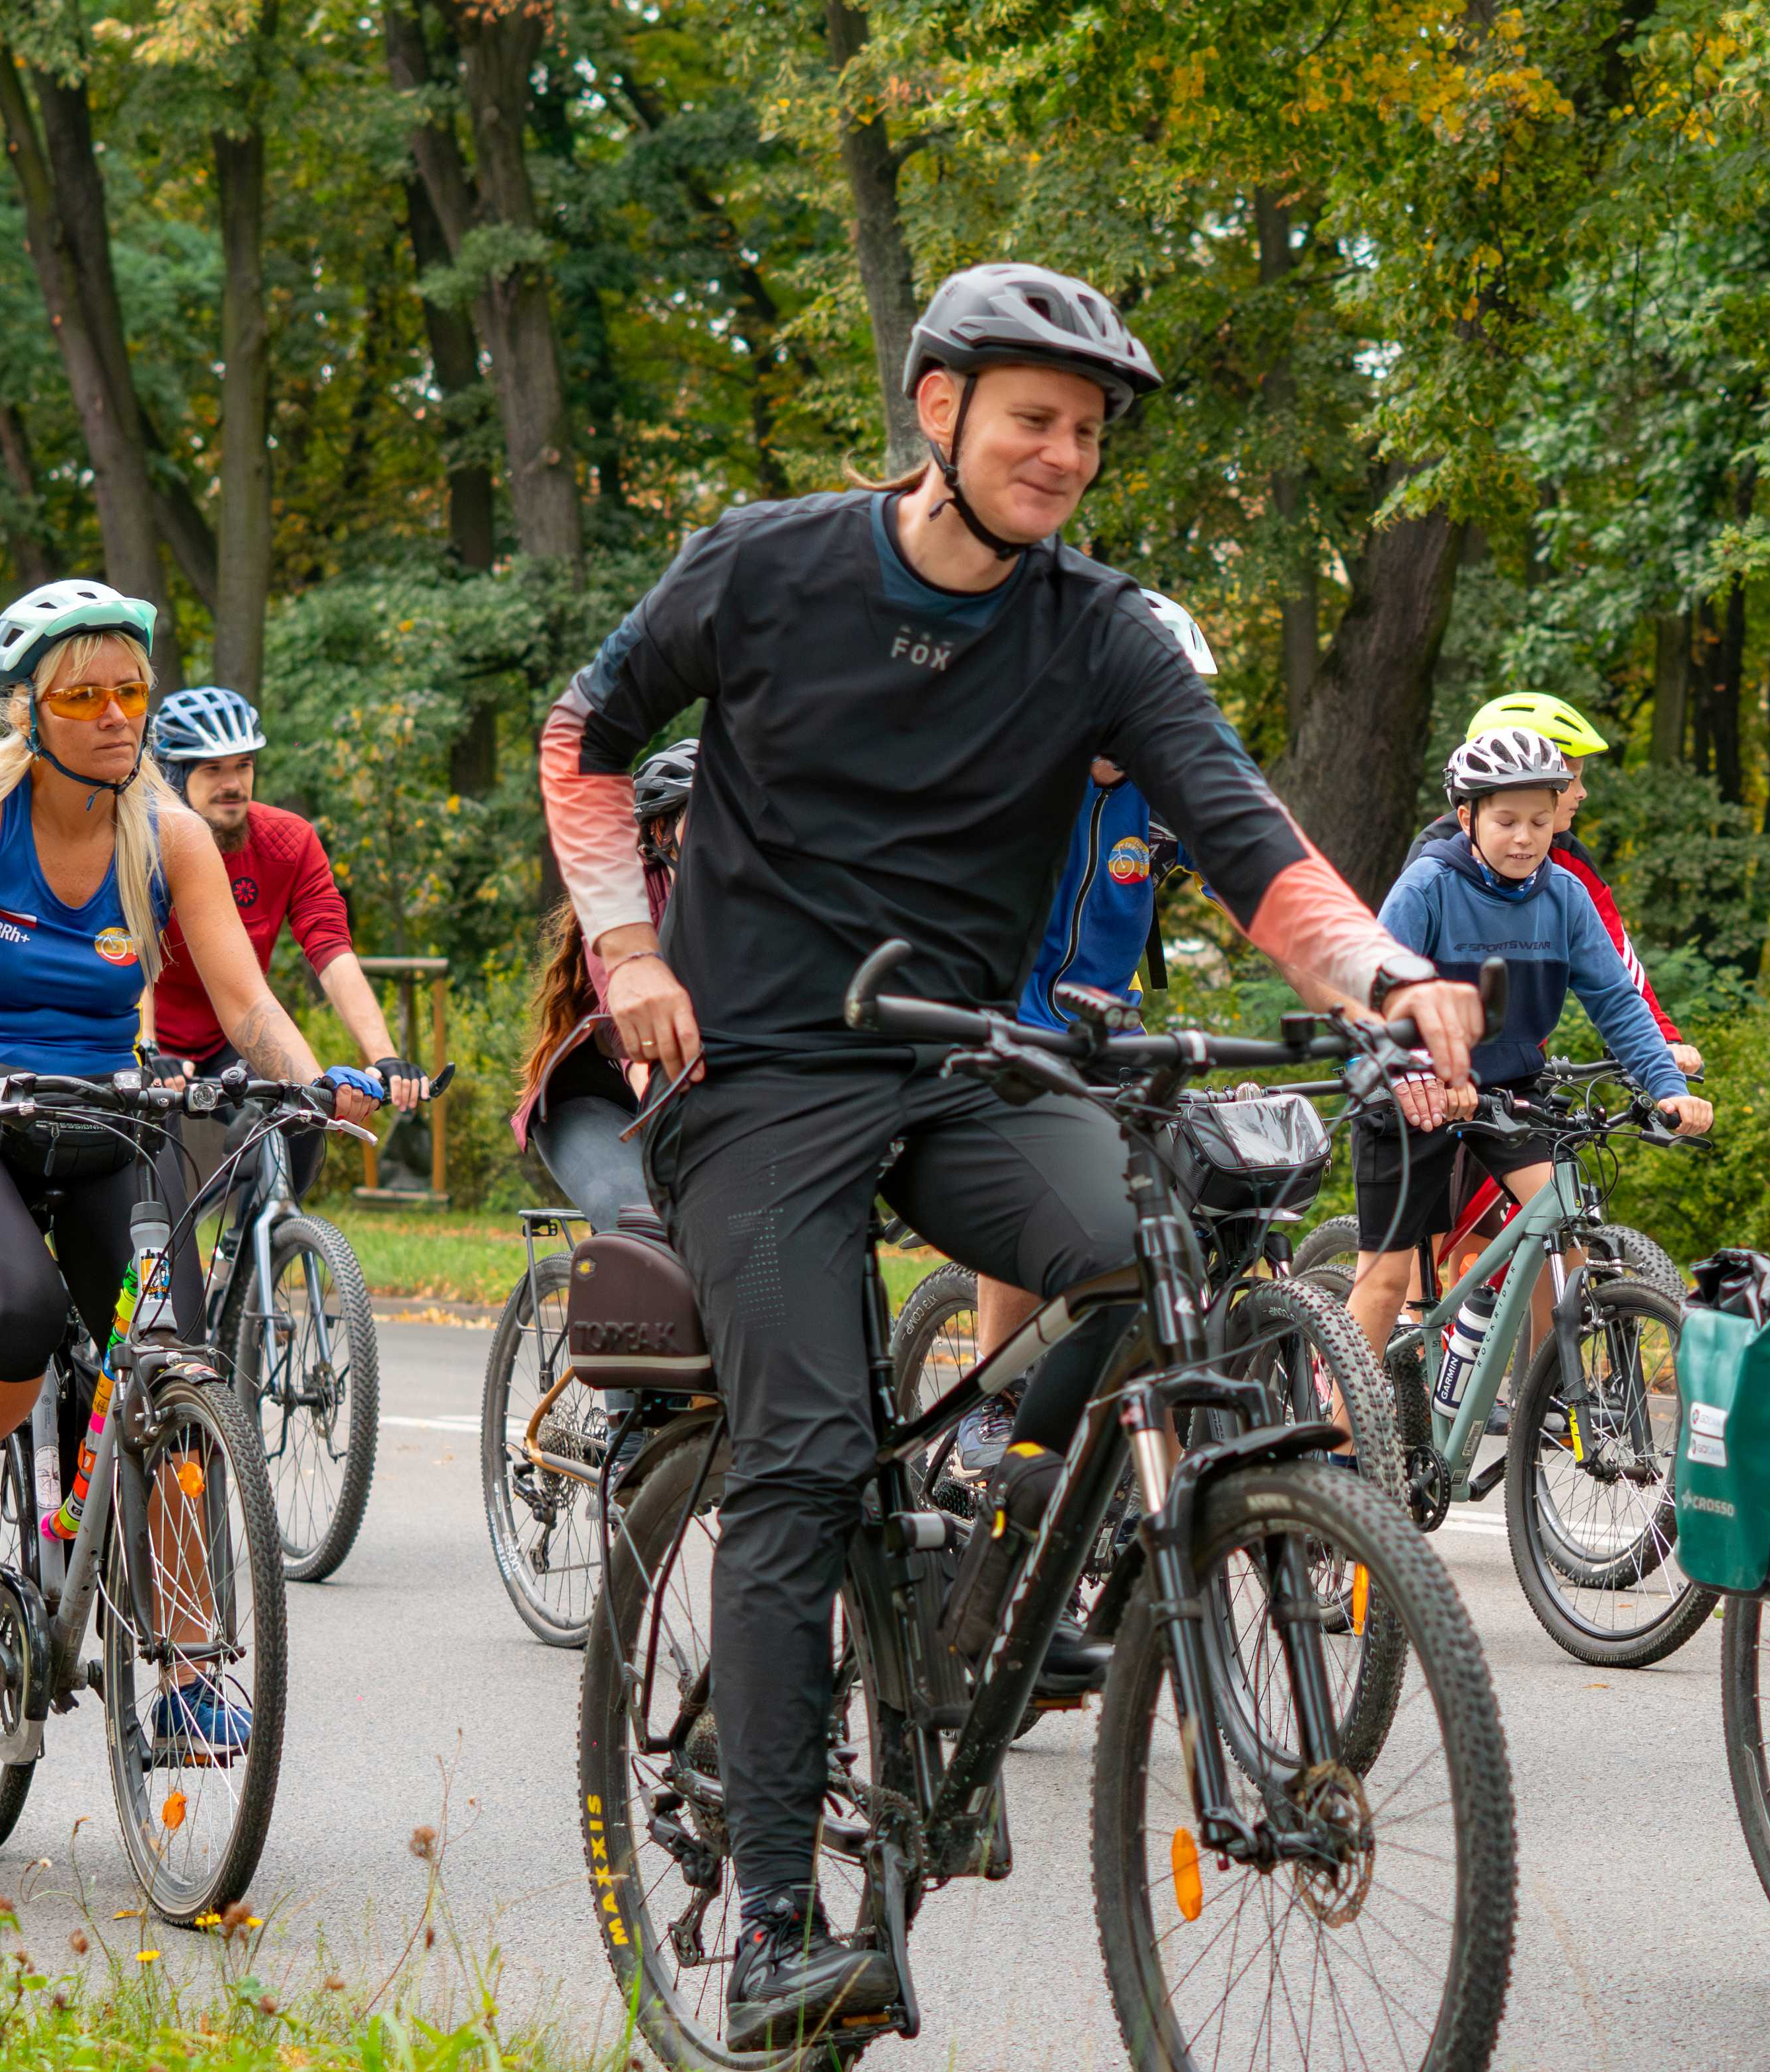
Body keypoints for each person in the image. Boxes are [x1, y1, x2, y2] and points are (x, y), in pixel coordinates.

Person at [537, 261, 1482, 2048]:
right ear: (936, 408)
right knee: (807, 1449)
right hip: (760, 1072)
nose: (1063, 453)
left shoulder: (1097, 629)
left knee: (1156, 1244)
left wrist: (1385, 970)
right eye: (1033, 417)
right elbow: (585, 739)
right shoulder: (768, 561)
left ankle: (988, 1563)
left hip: (969, 1060)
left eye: (1088, 431)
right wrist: (629, 947)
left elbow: (1236, 825)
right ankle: (760, 1920)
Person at [0, 580, 384, 1724]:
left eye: (133, 689)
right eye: (88, 695)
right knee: (11, 1315)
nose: (119, 714)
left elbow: (246, 1000)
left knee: (174, 1362)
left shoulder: (167, 833)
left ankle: (179, 1665)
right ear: (31, 712)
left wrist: (318, 1081)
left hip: (113, 1109)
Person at [1340, 726, 1712, 1363]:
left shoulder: (1564, 895)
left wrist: (1667, 1088)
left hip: (1507, 1091)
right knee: (1386, 1278)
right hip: (1410, 1089)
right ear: (1467, 816)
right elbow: (1368, 999)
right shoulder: (1428, 887)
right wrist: (1420, 1073)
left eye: (1541, 821)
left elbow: (1618, 1002)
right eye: (1507, 820)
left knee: (1562, 1225)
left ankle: (1549, 1405)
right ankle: (1341, 1449)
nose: (1525, 837)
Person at [964, 589, 1219, 1467]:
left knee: (1169, 1198)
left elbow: (1246, 867)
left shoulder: (1162, 788)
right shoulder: (1025, 767)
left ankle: (1162, 1440)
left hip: (1109, 1022)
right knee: (1026, 1190)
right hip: (1011, 1014)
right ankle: (994, 1400)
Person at [143, 685, 426, 1333]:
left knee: (301, 1116)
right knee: (157, 1206)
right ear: (175, 775)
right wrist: (148, 1053)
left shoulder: (287, 842)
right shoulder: (147, 844)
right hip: (149, 1036)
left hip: (229, 1031)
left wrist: (380, 1056)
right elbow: (128, 961)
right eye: (212, 770)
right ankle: (179, 1310)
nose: (233, 783)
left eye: (242, 765)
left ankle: (248, 1273)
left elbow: (331, 948)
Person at [1412, 691, 1701, 1077]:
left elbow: (1614, 958)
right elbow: (1396, 972)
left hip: (1517, 1070)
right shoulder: (1432, 863)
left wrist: (1662, 1040)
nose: (1581, 793)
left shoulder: (1567, 858)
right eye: (1573, 777)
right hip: (1432, 1071)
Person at [512, 739, 693, 1233]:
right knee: (646, 1226)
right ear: (661, 830)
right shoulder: (619, 899)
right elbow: (633, 1038)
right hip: (595, 1098)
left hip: (694, 1091)